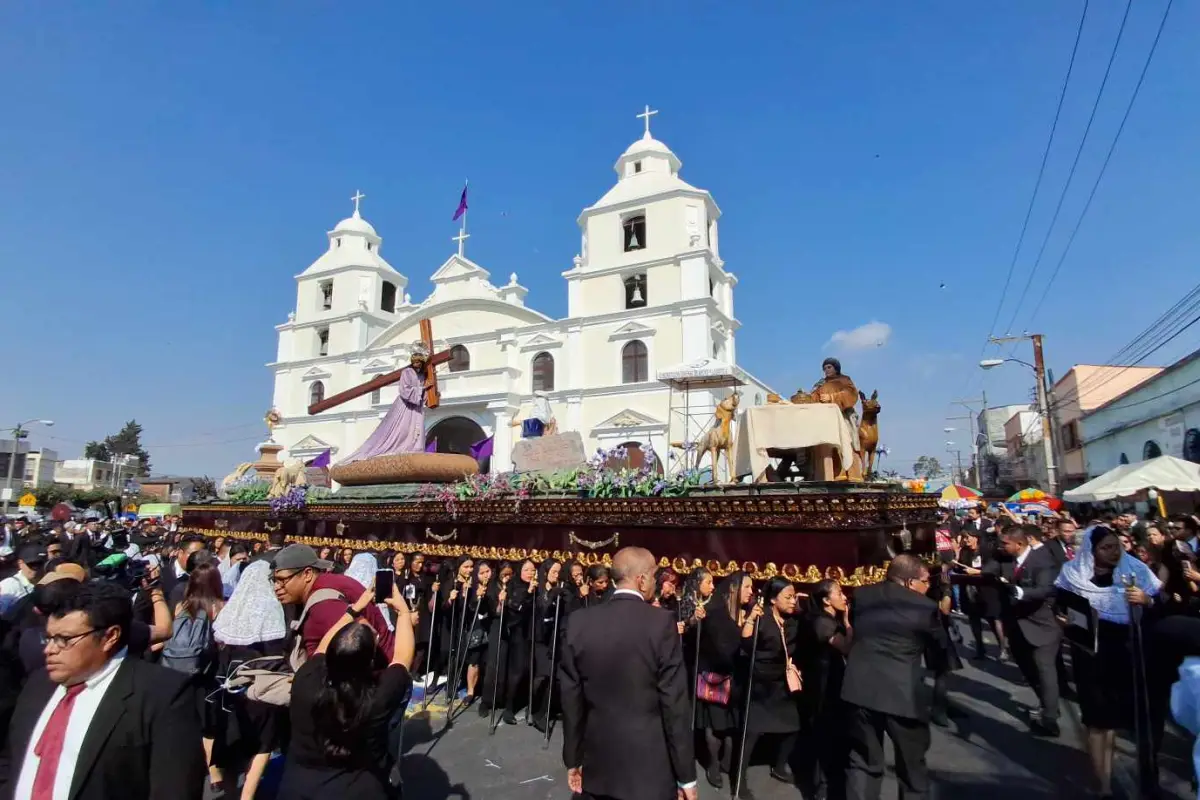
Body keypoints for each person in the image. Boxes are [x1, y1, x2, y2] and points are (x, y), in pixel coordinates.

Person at [7, 581, 206, 800]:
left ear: (110, 636)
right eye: (49, 637)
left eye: (64, 639)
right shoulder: (38, 684)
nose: (50, 649)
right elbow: (12, 759)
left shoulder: (162, 694)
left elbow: (174, 790)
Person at [559, 546, 696, 800]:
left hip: (598, 761)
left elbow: (571, 699)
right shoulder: (661, 623)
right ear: (642, 579)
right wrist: (686, 775)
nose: (656, 582)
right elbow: (674, 704)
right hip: (649, 768)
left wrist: (573, 759)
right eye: (655, 575)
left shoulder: (579, 622)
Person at [280, 582, 415, 799]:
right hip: (357, 790)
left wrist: (354, 609)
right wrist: (403, 611)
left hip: (299, 787)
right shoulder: (376, 699)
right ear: (371, 661)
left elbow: (323, 645)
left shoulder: (305, 681)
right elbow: (401, 657)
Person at [1055, 525, 1161, 796]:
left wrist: (1146, 600)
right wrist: (1064, 620)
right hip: (1089, 654)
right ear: (1092, 551)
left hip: (1123, 652)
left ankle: (1107, 774)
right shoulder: (1072, 573)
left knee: (1111, 721)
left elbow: (1162, 607)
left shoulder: (1134, 571)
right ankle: (1101, 785)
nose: (1114, 552)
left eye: (1117, 546)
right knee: (1095, 720)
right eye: (1106, 547)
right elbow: (1061, 606)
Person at [841, 554, 947, 800]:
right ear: (910, 582)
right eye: (925, 581)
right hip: (903, 696)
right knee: (912, 770)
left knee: (863, 763)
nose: (928, 586)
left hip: (860, 689)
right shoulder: (924, 607)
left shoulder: (863, 595)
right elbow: (939, 648)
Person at [212, 560, 289, 800]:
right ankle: (247, 795)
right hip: (261, 683)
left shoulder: (234, 605)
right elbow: (278, 646)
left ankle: (231, 789)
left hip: (231, 681)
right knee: (263, 744)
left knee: (233, 736)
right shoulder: (272, 606)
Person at [736, 576, 803, 800]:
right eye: (788, 597)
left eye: (794, 596)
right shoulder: (761, 617)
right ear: (773, 599)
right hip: (760, 684)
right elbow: (745, 644)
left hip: (781, 683)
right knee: (751, 734)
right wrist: (749, 620)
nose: (793, 601)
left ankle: (779, 766)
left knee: (793, 725)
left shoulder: (792, 621)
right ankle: (739, 779)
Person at [994, 525, 1063, 737]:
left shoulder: (1042, 561)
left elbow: (1045, 589)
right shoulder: (1013, 560)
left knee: (1045, 670)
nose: (1002, 546)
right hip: (1019, 626)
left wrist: (1020, 591)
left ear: (1019, 544)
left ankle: (1051, 719)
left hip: (1043, 626)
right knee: (1027, 667)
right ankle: (1045, 703)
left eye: (1005, 543)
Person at [271, 544, 394, 660]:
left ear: (307, 574)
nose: (276, 587)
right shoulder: (326, 583)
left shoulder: (324, 603)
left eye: (282, 580)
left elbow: (366, 636)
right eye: (274, 581)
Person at [695, 571, 750, 789]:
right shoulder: (715, 613)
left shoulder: (746, 613)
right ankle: (713, 764)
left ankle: (727, 759)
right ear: (734, 589)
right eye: (746, 587)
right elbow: (720, 649)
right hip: (716, 678)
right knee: (714, 726)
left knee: (731, 725)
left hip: (736, 680)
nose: (750, 592)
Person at [801, 579, 853, 800]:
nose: (844, 597)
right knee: (824, 737)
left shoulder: (829, 619)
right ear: (825, 600)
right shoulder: (822, 623)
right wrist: (848, 624)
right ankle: (821, 789)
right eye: (839, 593)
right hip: (822, 688)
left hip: (832, 683)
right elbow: (845, 647)